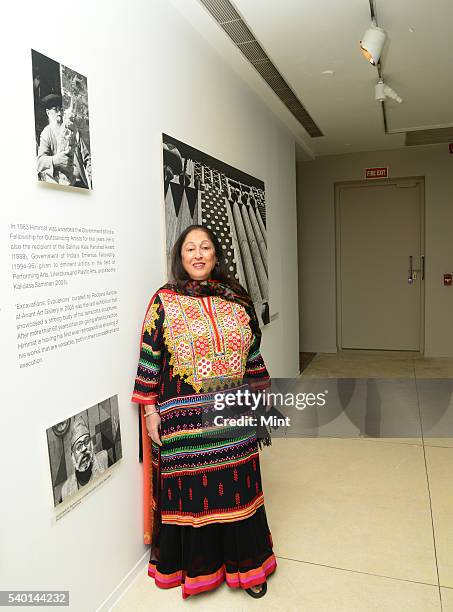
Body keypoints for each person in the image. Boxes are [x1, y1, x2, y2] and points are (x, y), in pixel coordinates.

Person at [131, 224, 276, 599]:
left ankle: (249, 565)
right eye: (189, 249)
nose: (198, 254)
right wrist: (149, 412)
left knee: (238, 487)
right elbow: (150, 357)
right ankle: (199, 568)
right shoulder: (163, 300)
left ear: (216, 255)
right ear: (180, 258)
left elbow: (253, 354)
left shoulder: (237, 298)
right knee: (194, 492)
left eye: (205, 247)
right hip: (184, 421)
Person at [37, 93, 92, 189]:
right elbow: (40, 162)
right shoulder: (47, 133)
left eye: (61, 109)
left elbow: (88, 159)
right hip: (61, 185)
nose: (59, 113)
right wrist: (55, 160)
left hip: (80, 184)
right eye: (55, 109)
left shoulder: (73, 130)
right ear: (48, 113)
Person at [61, 416, 108, 500]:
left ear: (91, 444)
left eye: (86, 442)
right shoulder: (65, 489)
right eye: (79, 446)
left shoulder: (104, 459)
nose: (84, 448)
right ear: (73, 456)